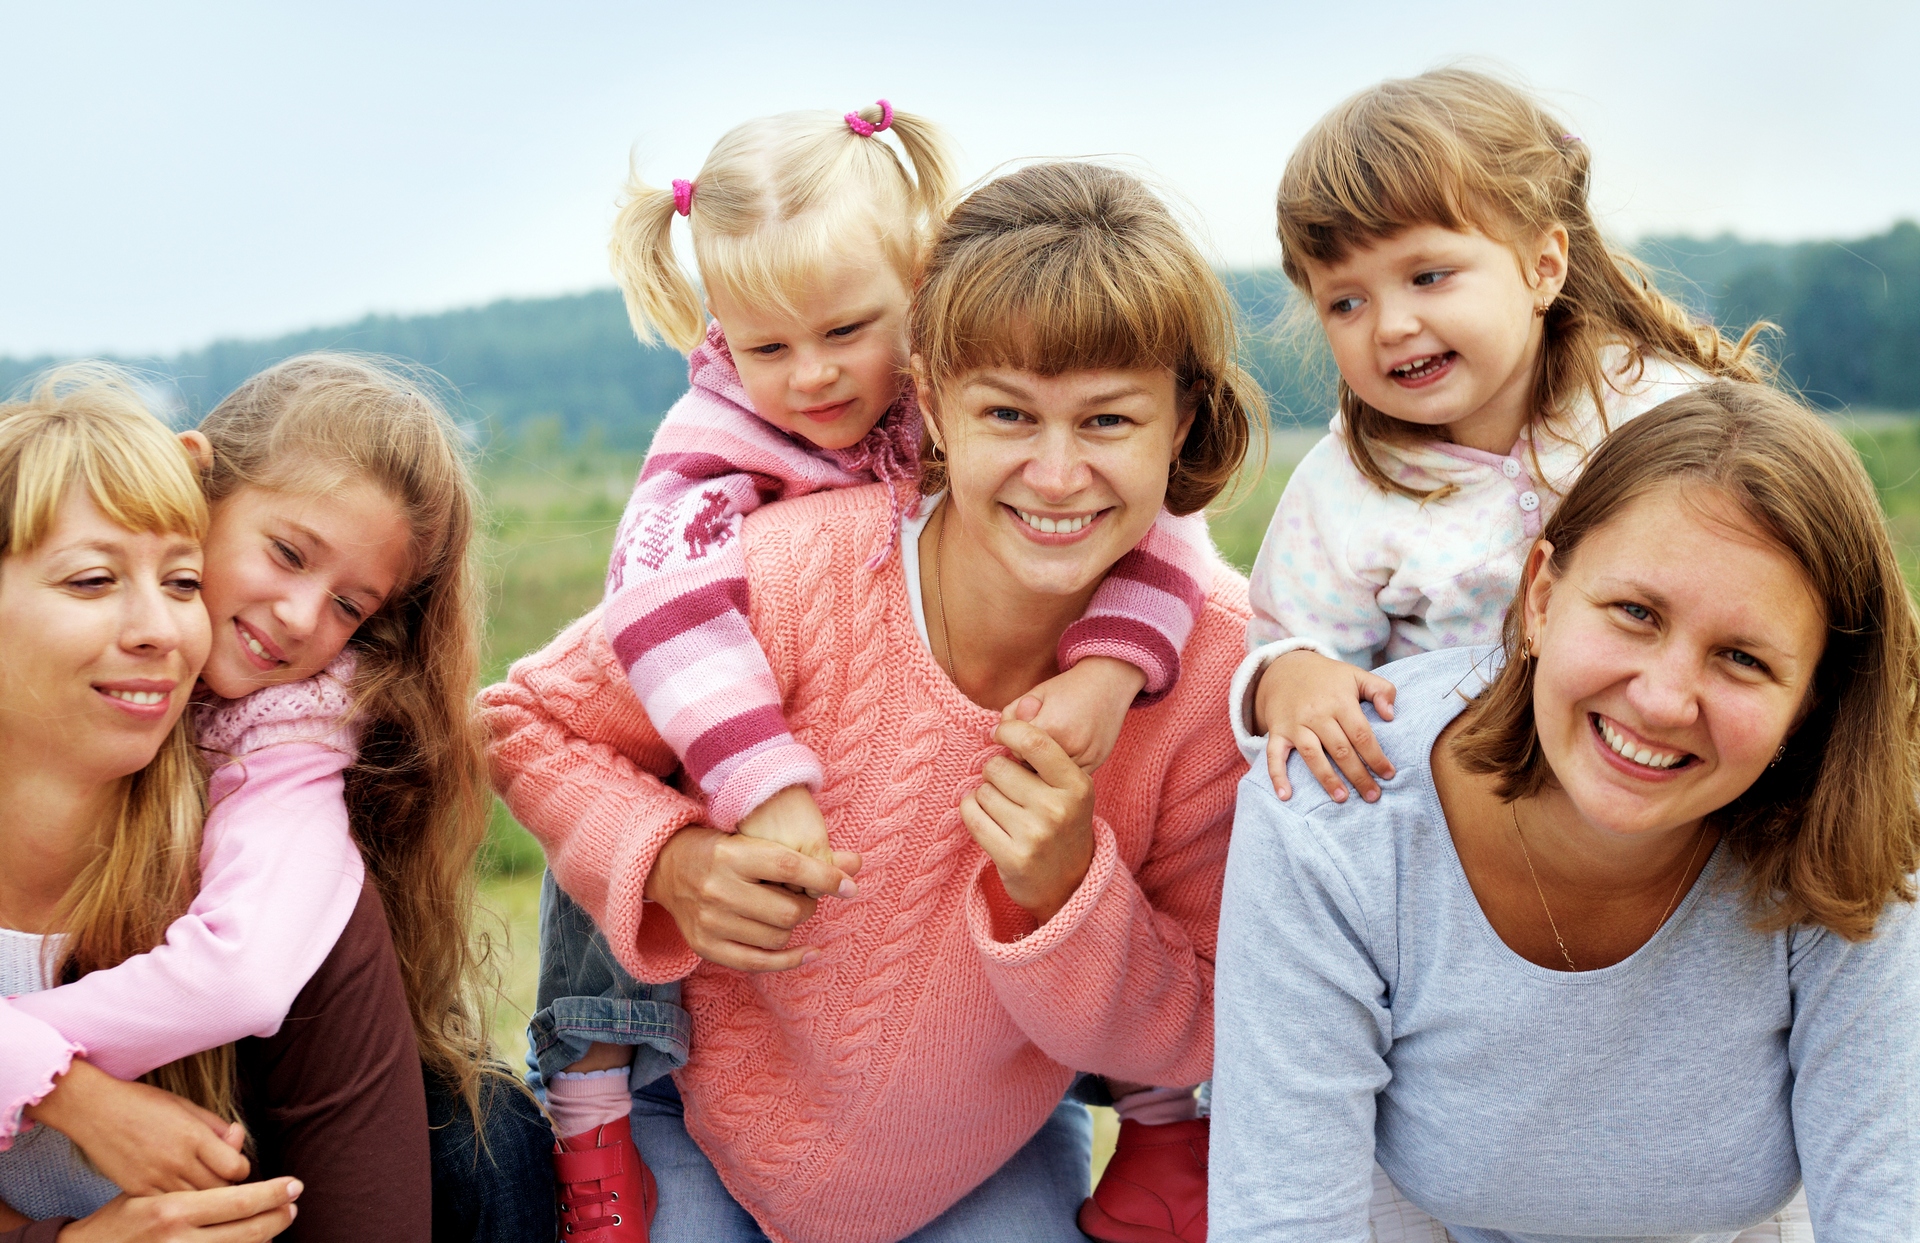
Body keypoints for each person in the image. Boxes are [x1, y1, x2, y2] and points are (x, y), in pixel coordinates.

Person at [484, 161, 1255, 1243]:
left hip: (981, 1150)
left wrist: (1071, 889)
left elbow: (1200, 1023)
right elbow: (524, 723)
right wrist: (669, 862)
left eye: (1109, 421)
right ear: (933, 398)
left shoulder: (1216, 667)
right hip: (701, 1118)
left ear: (1181, 421)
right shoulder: (789, 571)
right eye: (1008, 414)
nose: (1055, 472)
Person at [1211, 384, 1919, 1240]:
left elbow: (1888, 1206)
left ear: (1809, 700)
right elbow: (1283, 1221)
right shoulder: (1335, 809)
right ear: (1541, 596)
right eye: (1635, 613)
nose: (1662, 701)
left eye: (1741, 657)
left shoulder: (1858, 840)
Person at [0, 356, 552, 1240]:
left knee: (484, 1136)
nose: (300, 617)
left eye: (348, 605)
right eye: (286, 553)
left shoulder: (286, 757)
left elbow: (246, 976)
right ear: (192, 486)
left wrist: (34, 1060)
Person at [1235, 68, 1768, 812]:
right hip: (1457, 821)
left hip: (1663, 770)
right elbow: (1288, 642)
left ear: (1543, 266)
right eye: (1346, 301)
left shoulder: (1656, 412)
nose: (1389, 325)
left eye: (1428, 275)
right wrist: (1291, 677)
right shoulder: (1346, 487)